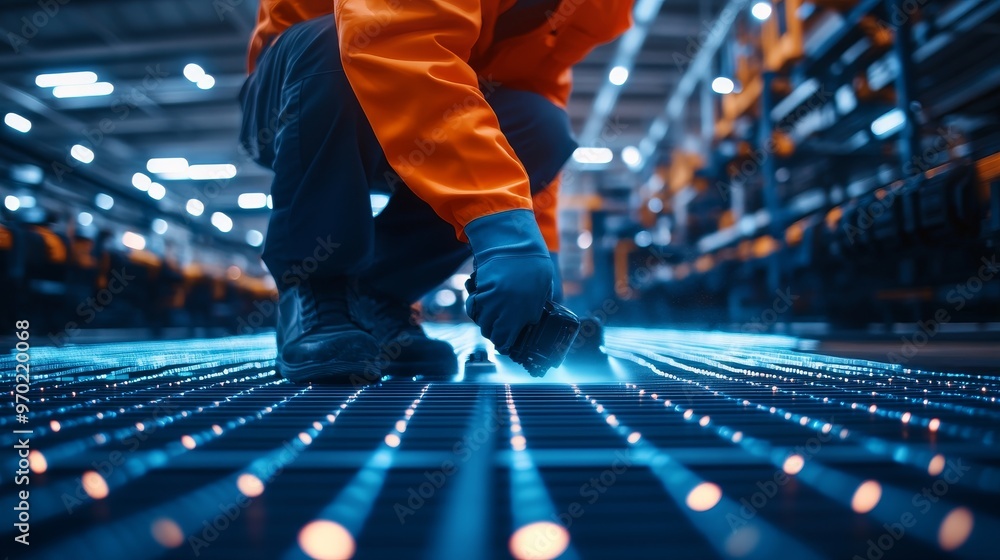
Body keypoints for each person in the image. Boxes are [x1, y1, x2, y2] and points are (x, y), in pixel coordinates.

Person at [240, 0, 633, 383]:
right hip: (304, 84)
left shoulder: (587, 6)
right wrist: (501, 229)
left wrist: (537, 261)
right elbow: (394, 44)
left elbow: (530, 97)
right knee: (335, 42)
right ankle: (318, 290)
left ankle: (377, 296)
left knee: (541, 126)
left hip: (431, 103)